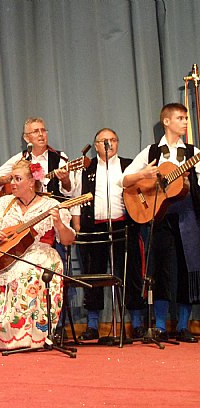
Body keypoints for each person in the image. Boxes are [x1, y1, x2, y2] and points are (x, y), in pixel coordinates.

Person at [0, 159, 75, 350]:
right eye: (12, 178)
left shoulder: (50, 204)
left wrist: (59, 224)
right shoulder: (4, 202)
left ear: (31, 182)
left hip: (39, 252)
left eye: (17, 179)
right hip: (5, 255)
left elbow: (68, 240)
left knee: (26, 272)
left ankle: (25, 336)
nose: (12, 183)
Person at [122, 103, 200, 343]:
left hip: (187, 218)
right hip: (159, 218)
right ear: (166, 122)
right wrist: (144, 175)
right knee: (160, 272)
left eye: (186, 118)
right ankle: (159, 326)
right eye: (180, 118)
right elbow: (124, 181)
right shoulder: (151, 152)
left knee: (189, 271)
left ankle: (184, 326)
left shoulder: (192, 151)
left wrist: (188, 183)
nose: (185, 122)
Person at [71, 128, 145, 340]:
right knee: (94, 276)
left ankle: (137, 322)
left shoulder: (128, 166)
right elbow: (77, 198)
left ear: (118, 143)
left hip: (124, 226)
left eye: (113, 140)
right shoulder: (87, 169)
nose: (109, 144)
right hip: (95, 228)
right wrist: (77, 227)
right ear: (96, 146)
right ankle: (93, 324)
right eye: (104, 141)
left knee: (130, 275)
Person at [0, 117, 74, 199]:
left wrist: (65, 181)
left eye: (43, 130)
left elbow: (69, 192)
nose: (41, 134)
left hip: (52, 209)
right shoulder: (20, 158)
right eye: (36, 131)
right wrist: (7, 179)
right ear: (26, 138)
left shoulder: (59, 157)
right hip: (25, 210)